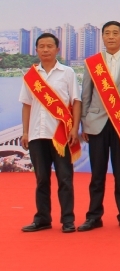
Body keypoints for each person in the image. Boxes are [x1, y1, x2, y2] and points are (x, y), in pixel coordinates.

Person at [79, 21, 120, 232]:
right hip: (96, 125)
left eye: (115, 33)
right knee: (97, 175)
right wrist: (84, 124)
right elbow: (86, 95)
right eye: (107, 33)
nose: (111, 37)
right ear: (102, 37)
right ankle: (93, 216)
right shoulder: (92, 63)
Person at [19, 33, 80, 233]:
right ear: (36, 49)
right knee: (41, 179)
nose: (45, 50)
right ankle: (42, 219)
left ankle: (68, 220)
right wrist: (25, 132)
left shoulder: (67, 72)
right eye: (41, 46)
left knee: (65, 179)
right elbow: (27, 105)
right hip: (37, 134)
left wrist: (74, 128)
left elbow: (76, 101)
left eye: (49, 46)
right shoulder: (31, 76)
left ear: (57, 49)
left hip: (60, 134)